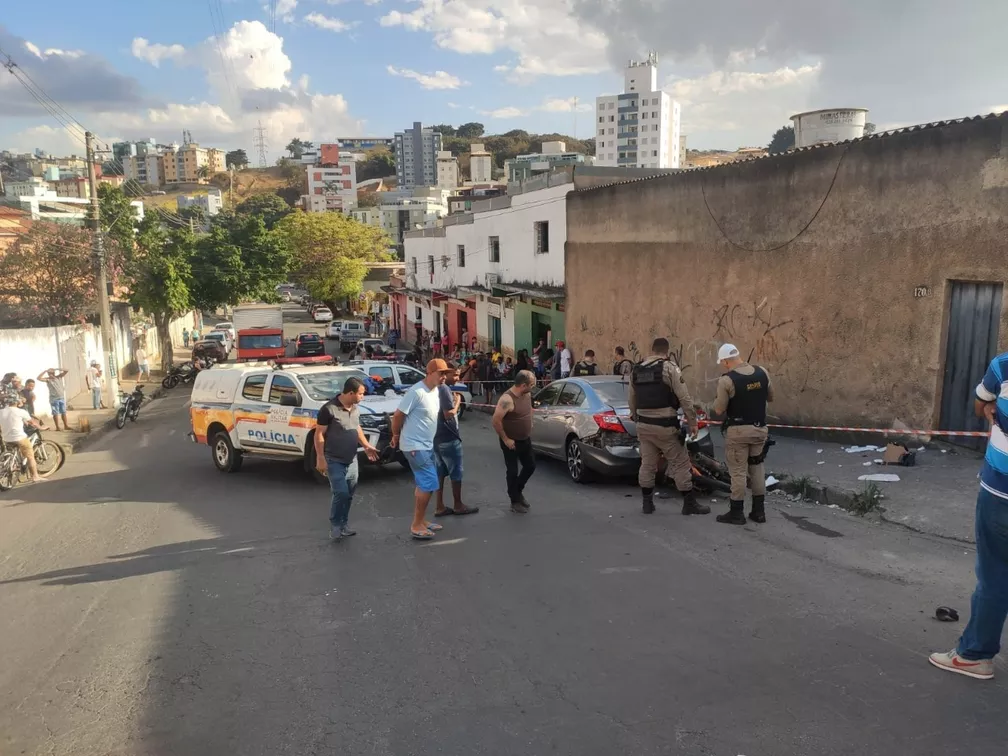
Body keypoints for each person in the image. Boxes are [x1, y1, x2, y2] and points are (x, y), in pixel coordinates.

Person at [929, 350, 1008, 680]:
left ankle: (975, 655)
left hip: (1000, 494)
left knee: (994, 575)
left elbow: (980, 404)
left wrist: (992, 408)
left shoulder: (1003, 366)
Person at [629, 337, 709, 516]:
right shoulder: (669, 368)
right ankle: (689, 504)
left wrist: (636, 417)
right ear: (666, 351)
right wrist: (693, 422)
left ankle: (647, 504)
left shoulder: (636, 369)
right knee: (681, 463)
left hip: (644, 425)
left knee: (647, 464)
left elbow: (631, 399)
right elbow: (685, 399)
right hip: (665, 426)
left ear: (652, 349)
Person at [712, 343, 773, 525]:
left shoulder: (727, 380)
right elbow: (770, 397)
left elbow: (719, 409)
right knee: (757, 468)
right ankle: (759, 512)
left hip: (738, 431)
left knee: (738, 471)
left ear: (725, 361)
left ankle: (737, 513)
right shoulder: (762, 372)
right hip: (760, 429)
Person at [314, 376, 380, 542]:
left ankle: (344, 524)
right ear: (350, 393)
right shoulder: (328, 409)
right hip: (334, 460)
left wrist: (366, 445)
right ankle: (336, 525)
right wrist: (320, 458)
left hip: (352, 460)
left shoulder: (355, 409)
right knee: (341, 493)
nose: (362, 397)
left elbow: (356, 428)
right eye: (361, 394)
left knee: (349, 494)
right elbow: (319, 434)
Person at [392, 358, 451, 540]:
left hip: (425, 445)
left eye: (445, 374)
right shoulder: (416, 392)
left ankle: (421, 520)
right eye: (441, 374)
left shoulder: (435, 391)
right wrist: (395, 435)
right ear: (430, 373)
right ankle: (416, 524)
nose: (444, 378)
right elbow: (398, 415)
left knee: (425, 484)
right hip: (415, 446)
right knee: (429, 483)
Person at [433, 363, 479, 518]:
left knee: (440, 473)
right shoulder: (444, 389)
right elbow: (448, 414)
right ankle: (458, 505)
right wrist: (458, 401)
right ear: (446, 374)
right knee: (456, 472)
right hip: (448, 436)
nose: (458, 378)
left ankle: (439, 506)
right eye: (456, 375)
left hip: (436, 437)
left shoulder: (434, 388)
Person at [492, 370, 537, 514]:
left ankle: (517, 491)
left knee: (530, 466)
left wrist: (530, 422)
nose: (533, 387)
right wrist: (506, 439)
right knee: (512, 471)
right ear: (523, 385)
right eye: (531, 385)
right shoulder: (507, 399)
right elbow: (496, 421)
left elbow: (529, 409)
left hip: (525, 438)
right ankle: (514, 501)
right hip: (511, 442)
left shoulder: (527, 394)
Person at [0, 393, 41, 483]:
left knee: (15, 451)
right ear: (17, 401)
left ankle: (14, 464)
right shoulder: (21, 411)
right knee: (30, 456)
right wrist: (41, 427)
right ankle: (35, 476)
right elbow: (32, 423)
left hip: (6, 438)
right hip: (19, 438)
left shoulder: (1, 411)